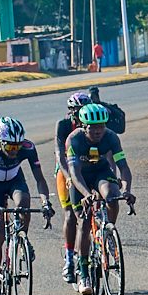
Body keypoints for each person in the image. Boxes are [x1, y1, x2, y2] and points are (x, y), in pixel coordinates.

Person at [0, 117, 53, 295]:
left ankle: (22, 238)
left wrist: (45, 202)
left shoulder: (27, 147)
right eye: (10, 147)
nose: (14, 151)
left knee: (24, 203)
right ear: (0, 142)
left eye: (17, 147)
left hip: (14, 181)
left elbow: (40, 179)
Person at [66, 103, 135, 294]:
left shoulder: (111, 137)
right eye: (93, 127)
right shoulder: (74, 140)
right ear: (83, 126)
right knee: (84, 222)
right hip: (80, 179)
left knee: (112, 196)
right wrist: (87, 195)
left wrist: (127, 189)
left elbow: (123, 166)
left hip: (101, 172)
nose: (98, 131)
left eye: (101, 126)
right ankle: (83, 272)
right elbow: (74, 173)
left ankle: (108, 231)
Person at [55, 91, 91, 283]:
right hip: (66, 170)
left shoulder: (93, 121)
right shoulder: (63, 125)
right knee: (71, 214)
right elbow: (60, 154)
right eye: (78, 110)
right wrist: (68, 176)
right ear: (71, 112)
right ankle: (69, 259)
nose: (82, 113)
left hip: (88, 168)